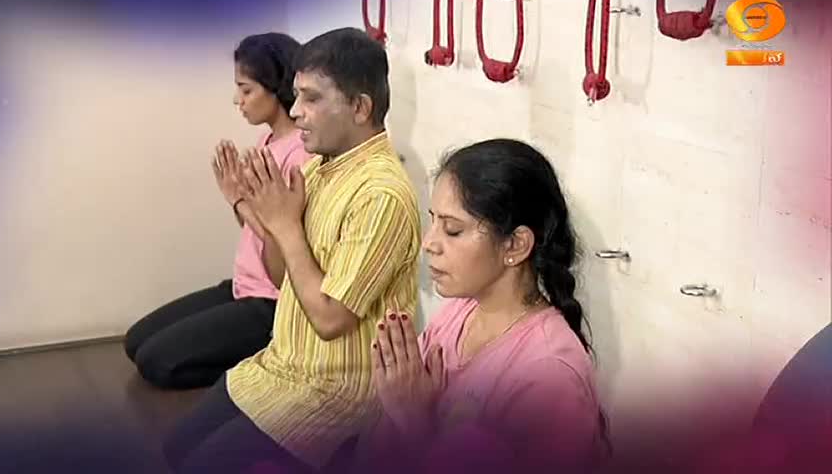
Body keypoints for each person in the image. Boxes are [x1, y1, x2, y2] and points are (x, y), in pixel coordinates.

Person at [163, 27, 422, 473]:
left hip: (335, 391)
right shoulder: (320, 169)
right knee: (177, 449)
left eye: (312, 99)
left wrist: (282, 225)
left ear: (360, 107)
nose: (296, 112)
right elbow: (285, 279)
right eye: (296, 96)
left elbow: (329, 319)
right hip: (281, 365)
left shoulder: (381, 193)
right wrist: (267, 219)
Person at [356, 138, 608, 474]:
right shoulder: (462, 311)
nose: (429, 243)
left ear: (516, 245)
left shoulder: (550, 376)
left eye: (453, 230)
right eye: (433, 222)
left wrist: (416, 420)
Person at [124, 32, 311, 389]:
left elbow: (282, 242)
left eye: (246, 90)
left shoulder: (301, 154)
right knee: (136, 342)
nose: (237, 101)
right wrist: (238, 199)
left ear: (276, 87)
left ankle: (272, 363)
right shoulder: (267, 141)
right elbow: (256, 225)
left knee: (157, 363)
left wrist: (239, 200)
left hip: (272, 302)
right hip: (243, 286)